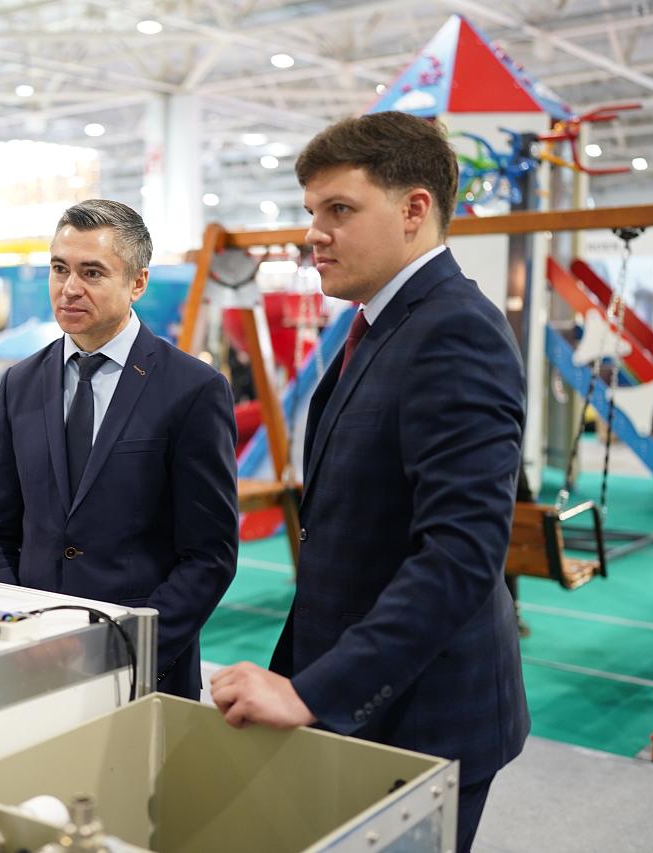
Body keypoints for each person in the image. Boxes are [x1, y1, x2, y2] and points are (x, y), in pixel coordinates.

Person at [209, 112, 528, 853]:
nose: (313, 234)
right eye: (311, 212)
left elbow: (459, 555)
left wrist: (314, 691)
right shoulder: (384, 327)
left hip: (423, 714)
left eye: (339, 210)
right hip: (362, 701)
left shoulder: (455, 331)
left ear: (414, 209)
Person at [0, 199, 238, 700]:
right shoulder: (20, 383)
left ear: (137, 282)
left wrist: (122, 646)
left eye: (91, 272)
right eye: (59, 269)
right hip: (30, 658)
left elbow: (210, 556)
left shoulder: (192, 390)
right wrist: (17, 624)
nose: (69, 288)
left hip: (141, 668)